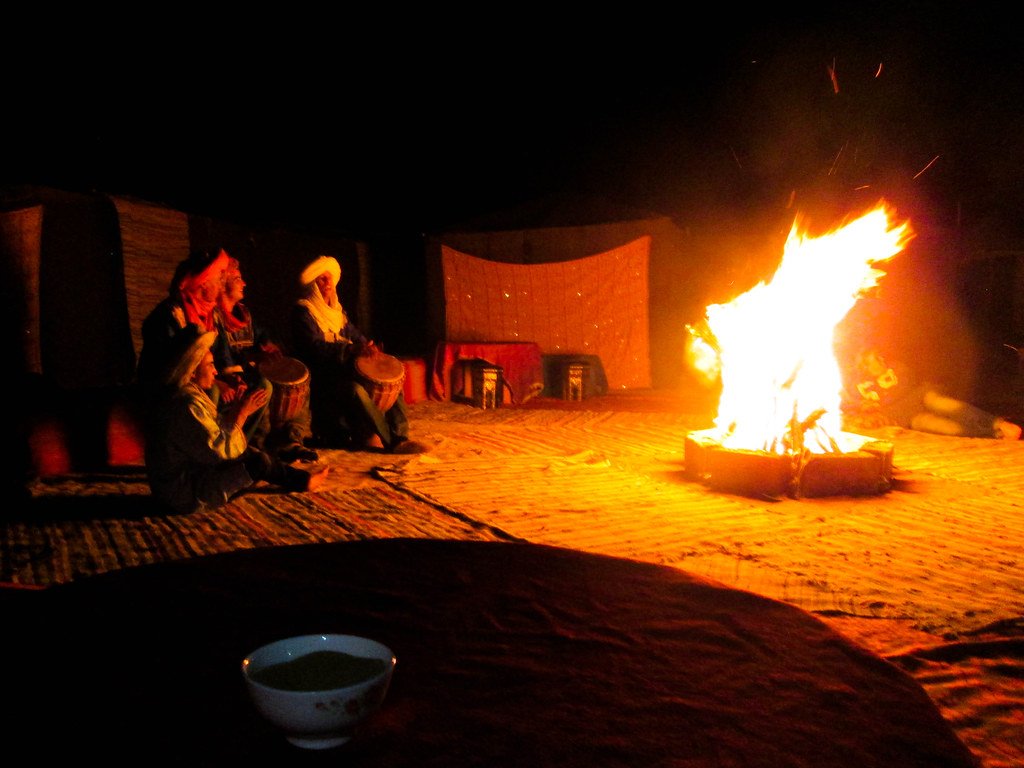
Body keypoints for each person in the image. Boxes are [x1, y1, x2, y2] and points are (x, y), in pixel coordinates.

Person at [144, 326, 329, 514]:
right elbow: (219, 452)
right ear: (191, 371)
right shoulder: (186, 404)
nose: (216, 371)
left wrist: (235, 413)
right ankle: (302, 481)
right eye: (210, 365)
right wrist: (241, 413)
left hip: (190, 478)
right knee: (258, 464)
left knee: (252, 456)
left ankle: (300, 478)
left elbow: (211, 437)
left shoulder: (188, 395)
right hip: (185, 494)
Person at [289, 255, 427, 454]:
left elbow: (355, 335)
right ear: (313, 284)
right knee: (355, 389)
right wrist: (350, 349)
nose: (328, 284)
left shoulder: (337, 313)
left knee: (392, 379)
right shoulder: (304, 313)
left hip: (344, 371)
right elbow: (313, 348)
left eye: (330, 279)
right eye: (322, 279)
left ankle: (400, 435)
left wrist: (368, 347)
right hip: (323, 379)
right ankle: (391, 442)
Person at [137, 248, 268, 444]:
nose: (222, 283)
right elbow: (173, 369)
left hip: (205, 378)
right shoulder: (170, 315)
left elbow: (223, 353)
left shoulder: (211, 314)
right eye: (218, 279)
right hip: (171, 391)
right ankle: (204, 452)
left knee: (260, 387)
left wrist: (234, 377)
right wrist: (217, 383)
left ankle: (240, 447)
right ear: (204, 283)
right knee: (211, 392)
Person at [213, 255, 317, 462]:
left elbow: (261, 335)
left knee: (299, 380)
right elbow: (224, 358)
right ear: (223, 284)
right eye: (237, 279)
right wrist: (253, 357)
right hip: (229, 379)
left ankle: (291, 440)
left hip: (248, 371)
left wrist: (268, 346)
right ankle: (257, 445)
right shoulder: (215, 317)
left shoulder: (243, 314)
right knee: (264, 385)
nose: (244, 283)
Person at [841, 347, 1021, 440]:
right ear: (864, 365)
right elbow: (848, 405)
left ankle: (999, 423)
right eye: (875, 360)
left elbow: (906, 385)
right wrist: (862, 406)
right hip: (905, 417)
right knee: (946, 428)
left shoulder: (896, 368)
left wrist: (880, 402)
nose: (881, 360)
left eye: (880, 357)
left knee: (939, 402)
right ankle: (996, 434)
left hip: (920, 396)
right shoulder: (858, 387)